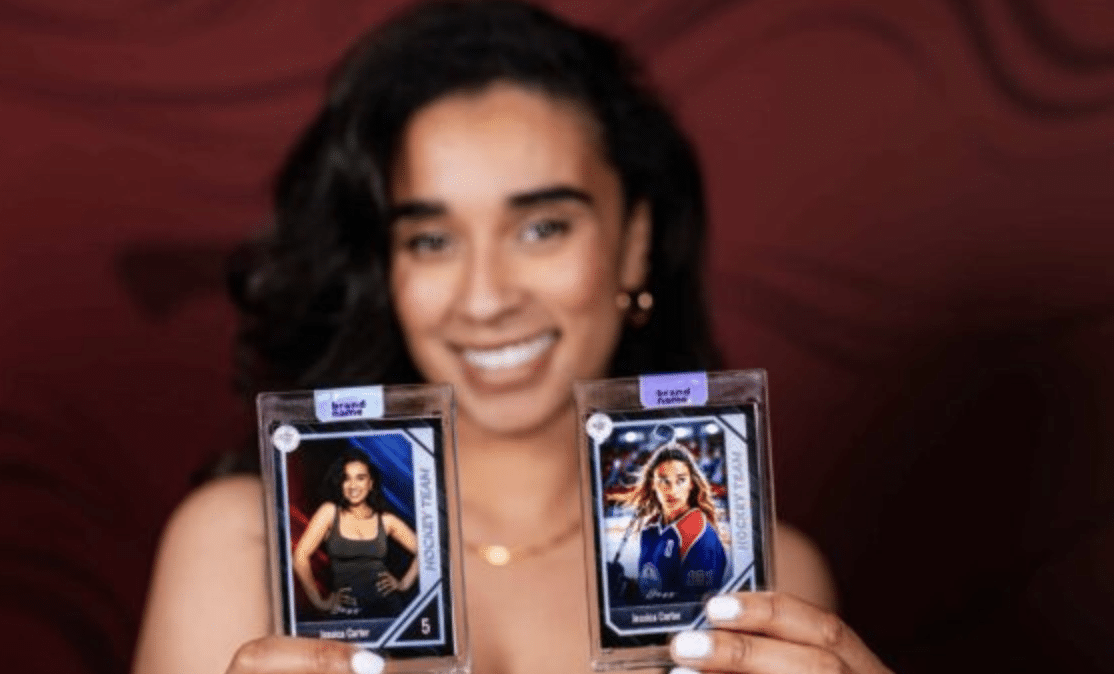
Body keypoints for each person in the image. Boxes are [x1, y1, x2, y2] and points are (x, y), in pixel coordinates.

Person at [132, 2, 889, 674]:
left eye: (541, 227)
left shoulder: (767, 569)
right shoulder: (239, 547)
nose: (488, 298)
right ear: (383, 268)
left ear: (634, 240)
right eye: (431, 240)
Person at [293, 449, 418, 619]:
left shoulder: (386, 521)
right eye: (346, 478)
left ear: (370, 483)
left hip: (388, 611)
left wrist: (403, 584)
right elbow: (300, 557)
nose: (353, 486)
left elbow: (426, 551)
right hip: (346, 614)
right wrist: (320, 602)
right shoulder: (329, 513)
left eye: (360, 478)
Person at [617, 441, 727, 604]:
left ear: (691, 484)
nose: (672, 490)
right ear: (653, 484)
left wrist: (632, 598)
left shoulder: (698, 535)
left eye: (681, 480)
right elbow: (655, 586)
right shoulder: (650, 529)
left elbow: (695, 605)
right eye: (663, 480)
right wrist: (626, 585)